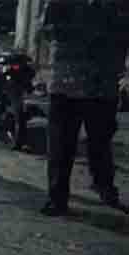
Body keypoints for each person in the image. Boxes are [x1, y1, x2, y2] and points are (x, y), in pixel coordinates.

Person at [39, 0, 129, 216]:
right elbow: (47, 32)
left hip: (101, 85)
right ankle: (58, 198)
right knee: (61, 146)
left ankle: (104, 187)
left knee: (100, 144)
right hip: (68, 84)